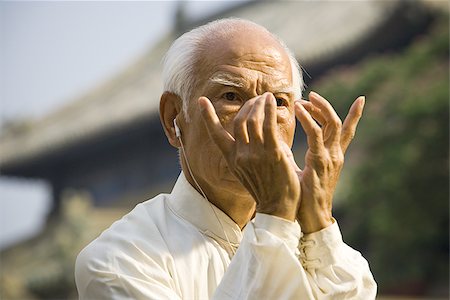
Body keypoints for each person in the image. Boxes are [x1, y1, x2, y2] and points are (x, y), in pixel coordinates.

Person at [75, 18, 377, 299]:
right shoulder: (120, 259)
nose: (260, 122)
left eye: (279, 102)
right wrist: (274, 214)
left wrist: (319, 223)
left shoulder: (316, 247)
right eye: (231, 96)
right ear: (173, 119)